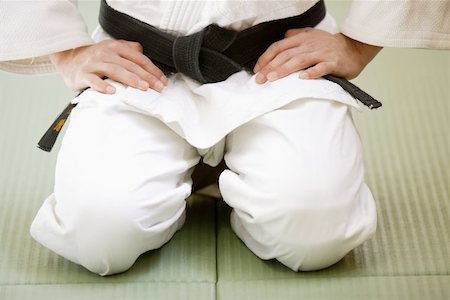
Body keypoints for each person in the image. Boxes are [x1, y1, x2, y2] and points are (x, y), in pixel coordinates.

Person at [0, 0, 448, 276]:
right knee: (97, 234)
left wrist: (357, 43)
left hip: (279, 60)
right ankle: (200, 172)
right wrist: (66, 51)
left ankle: (226, 172)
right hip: (142, 62)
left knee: (315, 234)